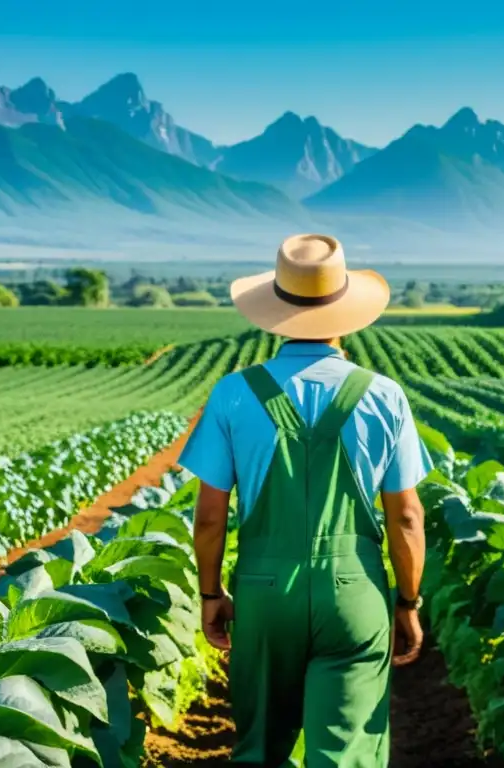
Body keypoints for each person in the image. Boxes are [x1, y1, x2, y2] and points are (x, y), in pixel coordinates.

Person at [177, 233, 432, 767]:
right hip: (353, 593)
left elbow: (208, 518)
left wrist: (210, 595)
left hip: (265, 592)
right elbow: (407, 516)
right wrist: (407, 602)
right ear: (346, 311)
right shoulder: (383, 395)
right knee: (346, 753)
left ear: (274, 310)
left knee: (260, 748)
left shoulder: (233, 392)